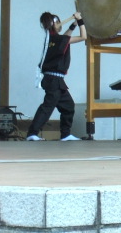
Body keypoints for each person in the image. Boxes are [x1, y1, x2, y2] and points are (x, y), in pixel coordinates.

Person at [26, 11, 87, 141]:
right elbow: (83, 37)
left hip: (54, 80)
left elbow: (64, 38)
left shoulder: (52, 39)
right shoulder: (59, 40)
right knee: (47, 107)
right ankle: (32, 133)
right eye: (58, 22)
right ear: (54, 24)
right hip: (54, 80)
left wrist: (73, 24)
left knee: (68, 106)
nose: (60, 24)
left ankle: (65, 134)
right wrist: (81, 21)